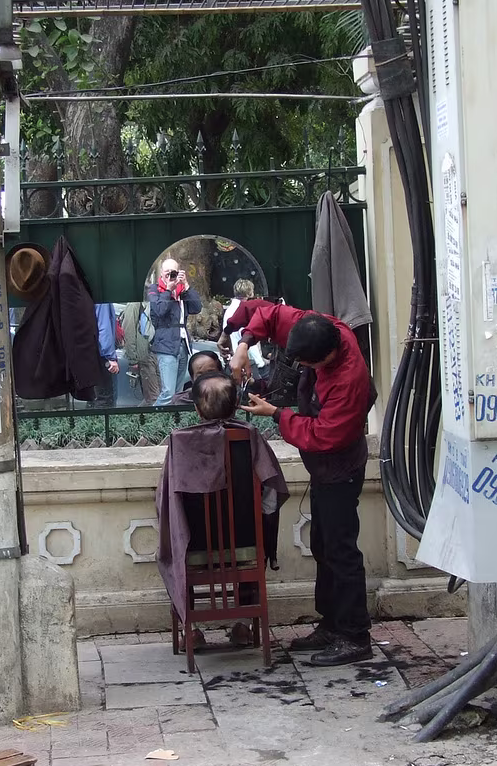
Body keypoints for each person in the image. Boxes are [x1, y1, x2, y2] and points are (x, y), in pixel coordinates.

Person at [226, 301, 374, 666]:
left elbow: (324, 436)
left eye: (309, 365)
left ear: (328, 356)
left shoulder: (348, 379)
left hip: (340, 466)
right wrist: (244, 344)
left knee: (341, 550)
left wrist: (277, 414)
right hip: (322, 468)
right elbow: (266, 313)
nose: (304, 370)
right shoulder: (315, 325)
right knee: (323, 544)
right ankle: (332, 624)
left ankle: (355, 635)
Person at [155, 372, 290, 650]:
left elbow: (167, 501)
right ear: (235, 405)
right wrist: (260, 526)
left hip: (193, 543)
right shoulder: (250, 438)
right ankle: (242, 624)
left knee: (173, 545)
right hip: (246, 543)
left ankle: (189, 629)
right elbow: (271, 494)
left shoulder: (181, 444)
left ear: (196, 408)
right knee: (257, 539)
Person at [148, 258, 202, 406]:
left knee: (178, 393)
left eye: (174, 272)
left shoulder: (182, 291)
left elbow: (196, 308)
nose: (171, 276)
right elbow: (159, 311)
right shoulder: (154, 289)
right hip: (166, 344)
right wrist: (168, 290)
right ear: (161, 274)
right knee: (168, 393)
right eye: (168, 273)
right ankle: (153, 419)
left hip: (182, 344)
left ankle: (172, 421)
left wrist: (186, 285)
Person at [94, 303, 120, 405]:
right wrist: (111, 357)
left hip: (90, 352)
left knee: (95, 397)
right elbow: (104, 326)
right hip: (102, 355)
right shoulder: (102, 301)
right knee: (105, 399)